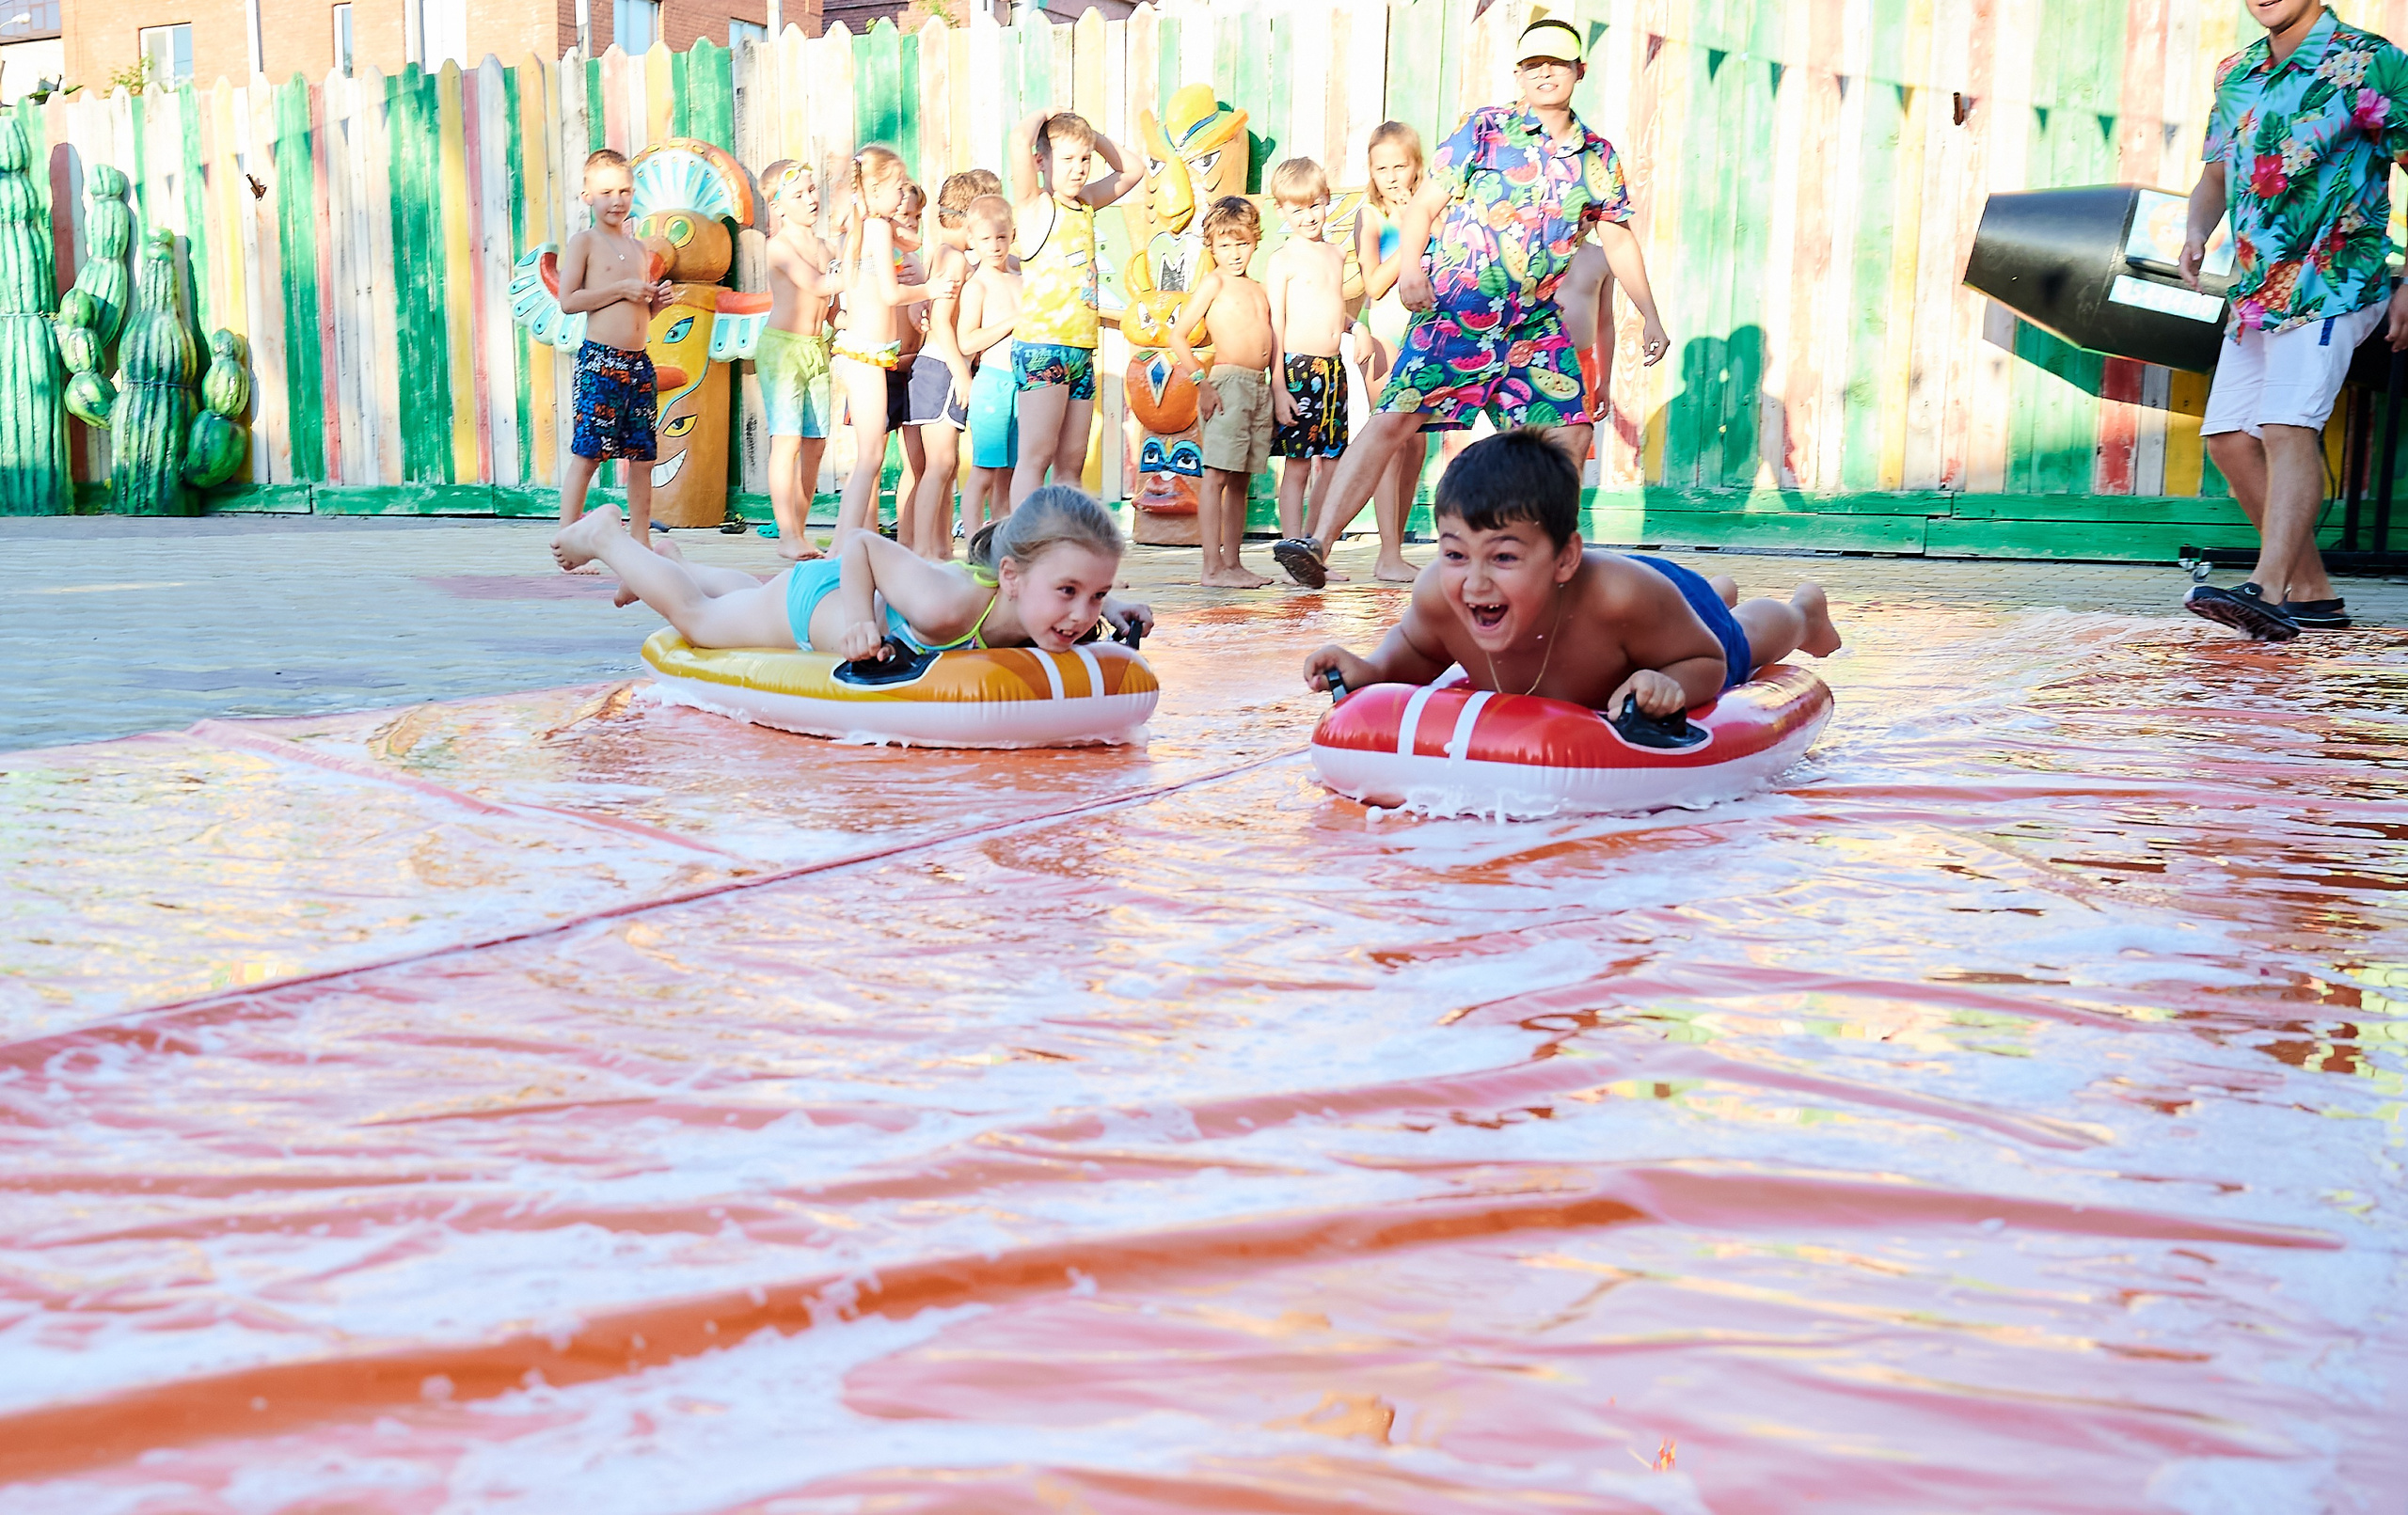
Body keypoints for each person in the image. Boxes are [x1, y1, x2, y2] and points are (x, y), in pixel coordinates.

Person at [1274, 16, 1670, 588]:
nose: (1544, 74)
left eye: (1556, 64)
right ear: (1519, 74)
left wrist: (1650, 313)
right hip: (1456, 309)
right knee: (1392, 419)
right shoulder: (1484, 130)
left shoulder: (1597, 159)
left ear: (1578, 71)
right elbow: (1420, 208)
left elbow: (1618, 238)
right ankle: (1317, 544)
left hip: (1533, 325)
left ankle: (1543, 556)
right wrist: (1410, 268)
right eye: (1533, 65)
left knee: (1572, 432)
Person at [1302, 430, 1840, 717]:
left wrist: (1669, 681)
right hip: (1655, 615)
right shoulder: (1442, 597)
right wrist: (1371, 669)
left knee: (1739, 638)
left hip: (1663, 605)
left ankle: (1801, 612)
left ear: (1563, 558)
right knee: (1689, 613)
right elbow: (1417, 652)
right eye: (1455, 553)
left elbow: (1705, 659)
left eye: (1504, 557)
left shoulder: (1619, 599)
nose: (1474, 582)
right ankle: (1716, 594)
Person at [2179, 0, 2408, 639]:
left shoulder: (2371, 61)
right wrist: (2198, 231)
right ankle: (2312, 593)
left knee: (2285, 424)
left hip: (2334, 280)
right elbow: (2216, 174)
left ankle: (2267, 588)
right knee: (2228, 437)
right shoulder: (2236, 72)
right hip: (2256, 291)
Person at [549, 484, 1153, 662]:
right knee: (701, 621)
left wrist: (1109, 611)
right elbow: (863, 544)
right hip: (838, 597)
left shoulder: (1049, 605)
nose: (1081, 613)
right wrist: (863, 623)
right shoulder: (945, 606)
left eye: (1096, 595)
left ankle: (671, 563)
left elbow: (1075, 604)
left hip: (861, 599)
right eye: (1069, 592)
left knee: (751, 600)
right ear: (1012, 576)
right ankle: (607, 535)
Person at [1006, 109, 1141, 503]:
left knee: (1072, 461)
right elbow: (1019, 138)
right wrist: (1044, 115)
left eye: (1084, 160)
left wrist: (1089, 135)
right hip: (1043, 345)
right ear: (1041, 161)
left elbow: (1131, 172)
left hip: (1080, 348)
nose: (1079, 169)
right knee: (1037, 454)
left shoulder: (1084, 203)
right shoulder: (1035, 206)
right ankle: (1024, 544)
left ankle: (1065, 545)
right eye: (1067, 159)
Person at [830, 150, 957, 543]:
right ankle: (842, 544)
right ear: (875, 188)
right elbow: (889, 292)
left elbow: (914, 237)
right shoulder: (878, 230)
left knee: (869, 457)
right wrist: (929, 288)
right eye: (898, 187)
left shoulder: (867, 225)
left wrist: (886, 210)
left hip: (863, 352)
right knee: (869, 457)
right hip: (867, 355)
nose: (904, 195)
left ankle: (846, 541)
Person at [555, 148, 673, 548]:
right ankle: (567, 542)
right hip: (601, 362)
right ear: (588, 195)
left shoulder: (640, 249)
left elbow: (637, 315)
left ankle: (641, 544)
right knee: (589, 454)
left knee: (643, 456)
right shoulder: (584, 242)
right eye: (606, 192)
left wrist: (654, 304)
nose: (617, 200)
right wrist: (620, 288)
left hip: (638, 362)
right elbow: (569, 300)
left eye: (624, 190)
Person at [1167, 196, 1276, 589]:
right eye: (1225, 246)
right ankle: (1211, 566)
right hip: (1227, 384)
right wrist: (1203, 383)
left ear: (1255, 241)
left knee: (1243, 478)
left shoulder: (1260, 288)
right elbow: (1178, 335)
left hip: (1259, 388)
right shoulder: (1214, 282)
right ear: (1211, 246)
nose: (1234, 254)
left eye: (1242, 244)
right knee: (1215, 475)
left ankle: (1233, 563)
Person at [900, 170, 997, 560]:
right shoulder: (954, 258)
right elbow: (940, 320)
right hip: (941, 369)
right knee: (938, 465)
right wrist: (961, 373)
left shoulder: (947, 255)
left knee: (946, 465)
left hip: (944, 367)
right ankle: (924, 551)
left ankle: (939, 548)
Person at [1354, 121, 1433, 584]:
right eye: (1381, 168)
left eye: (1399, 166)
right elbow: (1373, 284)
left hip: (1425, 337)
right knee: (1391, 443)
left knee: (1417, 443)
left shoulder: (1433, 208)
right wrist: (1407, 229)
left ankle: (1396, 546)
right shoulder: (1372, 216)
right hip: (1387, 336)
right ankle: (1386, 552)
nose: (1391, 176)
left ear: (1416, 166)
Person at [756, 160, 845, 561]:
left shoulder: (828, 247)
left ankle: (801, 530)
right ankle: (787, 535)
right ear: (777, 207)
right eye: (799, 195)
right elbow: (817, 284)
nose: (811, 199)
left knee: (816, 443)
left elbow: (832, 310)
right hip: (784, 349)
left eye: (812, 190)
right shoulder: (778, 247)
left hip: (815, 349)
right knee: (788, 441)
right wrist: (862, 260)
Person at [1263, 156, 1354, 544]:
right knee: (1297, 467)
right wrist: (1279, 387)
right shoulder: (1282, 260)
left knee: (1332, 465)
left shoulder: (1337, 254)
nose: (1308, 216)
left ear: (1327, 199)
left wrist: (1355, 326)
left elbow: (1333, 308)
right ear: (1281, 209)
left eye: (1314, 205)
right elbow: (1277, 325)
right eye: (1297, 209)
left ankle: (1315, 547)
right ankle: (1290, 545)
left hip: (1334, 371)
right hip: (1298, 370)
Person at [956, 193, 1023, 538]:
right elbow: (966, 342)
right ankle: (971, 540)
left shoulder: (1020, 277)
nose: (995, 246)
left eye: (1001, 237)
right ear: (972, 240)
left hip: (1023, 382)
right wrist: (1013, 321)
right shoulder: (977, 285)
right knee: (985, 469)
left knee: (1010, 471)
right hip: (993, 382)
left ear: (1012, 234)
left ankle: (1002, 539)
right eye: (986, 239)